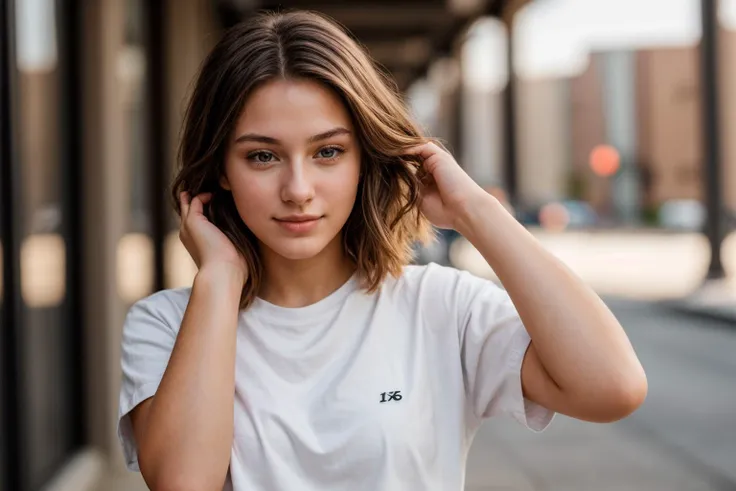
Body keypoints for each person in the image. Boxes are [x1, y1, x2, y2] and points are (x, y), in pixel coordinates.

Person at [117, 10, 647, 491]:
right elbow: (183, 484)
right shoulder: (165, 326)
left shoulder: (441, 307)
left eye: (328, 152)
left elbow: (612, 388)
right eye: (262, 156)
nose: (298, 188)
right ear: (222, 172)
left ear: (363, 159)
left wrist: (476, 211)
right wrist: (219, 279)